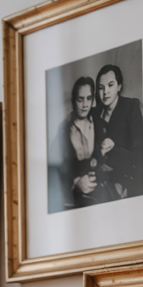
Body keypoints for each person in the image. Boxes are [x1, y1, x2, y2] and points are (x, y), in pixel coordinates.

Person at [93, 64, 143, 201]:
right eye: (101, 88)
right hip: (101, 180)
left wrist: (114, 148)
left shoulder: (131, 107)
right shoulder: (95, 113)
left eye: (110, 85)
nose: (105, 92)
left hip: (127, 180)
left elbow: (140, 154)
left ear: (119, 86)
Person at [48, 76, 99, 211]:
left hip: (100, 188)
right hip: (78, 194)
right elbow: (55, 165)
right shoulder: (65, 129)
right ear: (73, 101)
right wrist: (76, 182)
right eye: (80, 99)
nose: (84, 105)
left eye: (88, 99)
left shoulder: (99, 121)